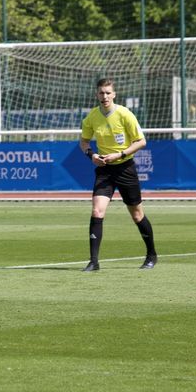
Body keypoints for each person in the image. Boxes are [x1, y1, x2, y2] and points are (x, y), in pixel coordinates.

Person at [79, 78, 157, 271]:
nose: (104, 96)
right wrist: (92, 155)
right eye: (101, 93)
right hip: (104, 169)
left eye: (107, 93)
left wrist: (120, 154)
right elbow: (84, 142)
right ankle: (93, 261)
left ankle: (151, 254)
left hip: (124, 168)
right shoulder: (92, 117)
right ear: (96, 95)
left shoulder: (125, 114)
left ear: (114, 94)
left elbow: (141, 142)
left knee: (137, 215)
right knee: (97, 211)